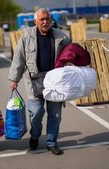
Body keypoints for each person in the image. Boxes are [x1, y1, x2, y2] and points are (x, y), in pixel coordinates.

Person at [8, 8, 71, 155]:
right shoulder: (26, 36)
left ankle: (51, 142)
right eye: (42, 19)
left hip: (55, 83)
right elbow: (19, 58)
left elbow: (70, 53)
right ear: (35, 21)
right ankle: (35, 136)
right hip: (34, 82)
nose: (45, 22)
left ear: (50, 20)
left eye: (47, 19)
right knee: (35, 113)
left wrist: (70, 63)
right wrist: (14, 78)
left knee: (55, 115)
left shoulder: (60, 36)